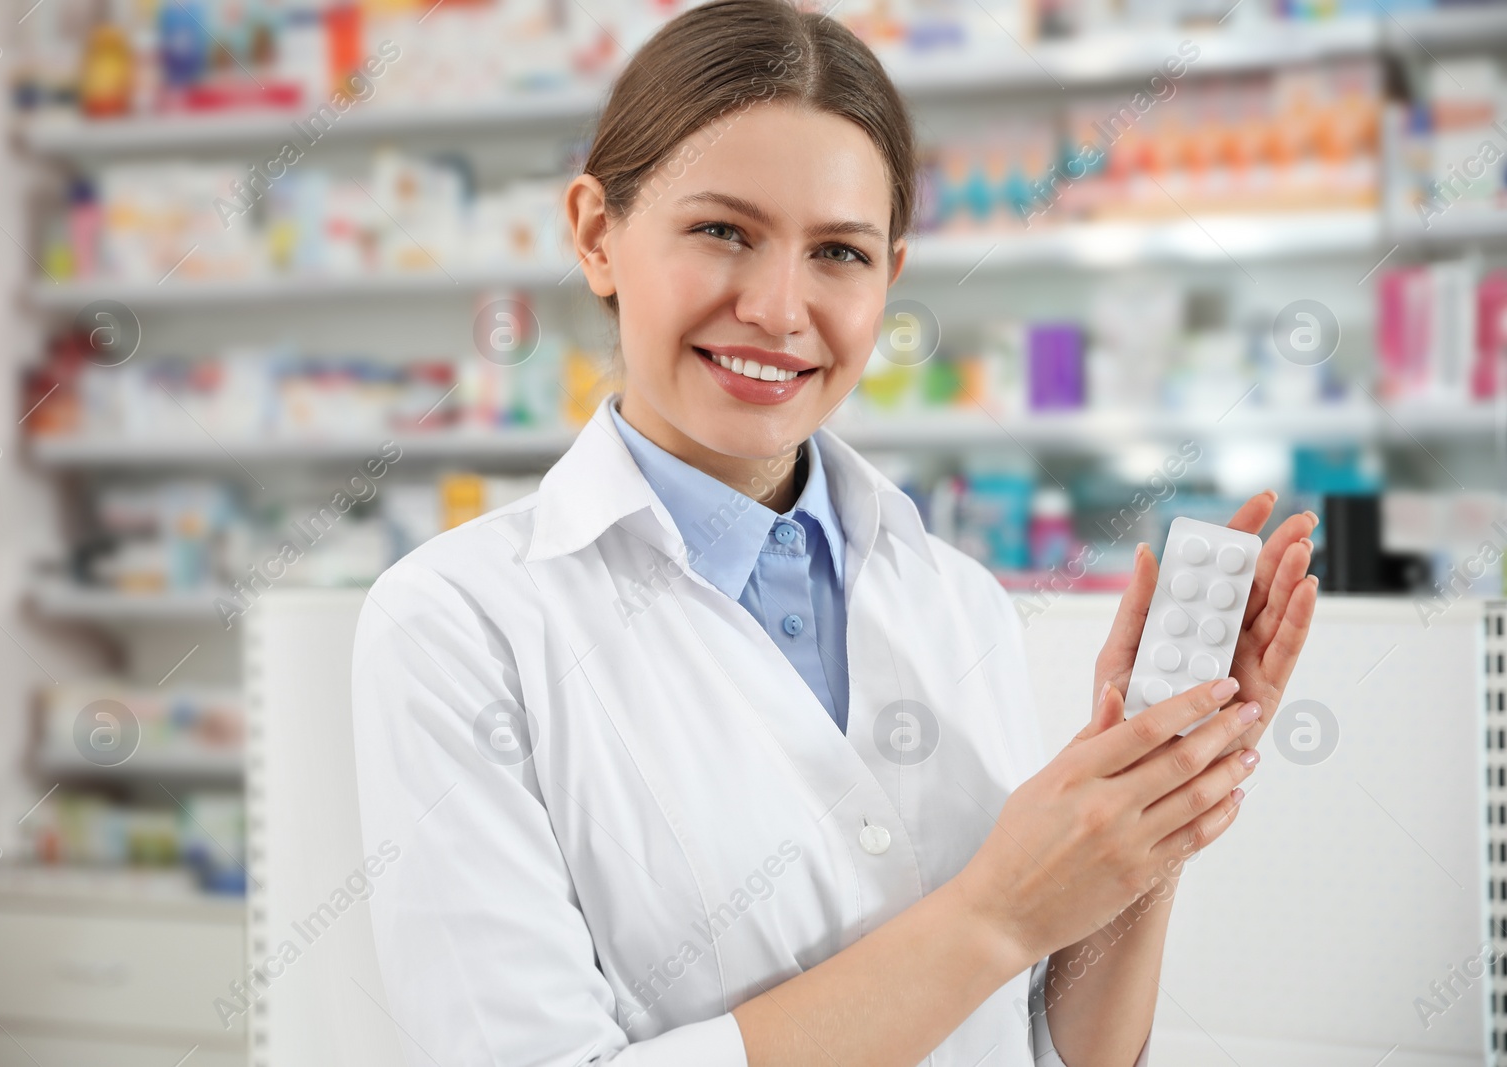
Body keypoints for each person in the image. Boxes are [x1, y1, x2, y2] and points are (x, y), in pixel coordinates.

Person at [349, 1, 1319, 1063]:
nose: (777, 307)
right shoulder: (456, 624)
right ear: (596, 232)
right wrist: (995, 910)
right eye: (723, 230)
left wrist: (1144, 818)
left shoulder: (955, 599)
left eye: (838, 253)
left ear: (888, 278)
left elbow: (1043, 1048)